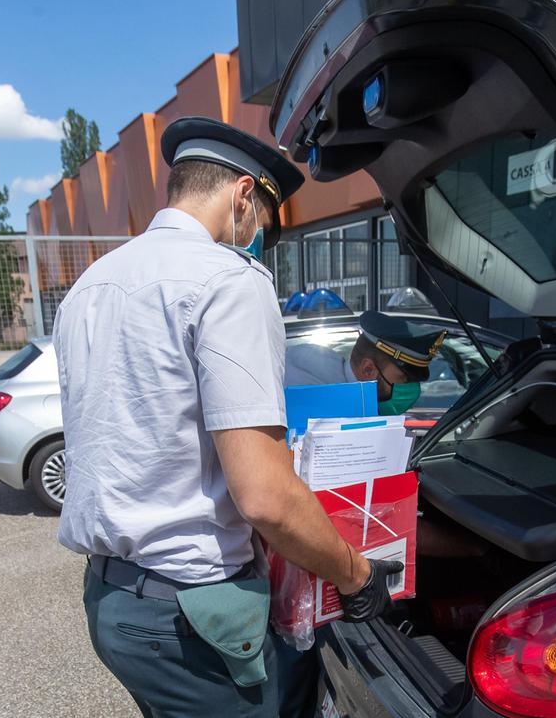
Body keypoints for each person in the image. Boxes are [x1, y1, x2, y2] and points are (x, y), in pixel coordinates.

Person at [53, 115, 401, 717]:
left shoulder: (91, 284)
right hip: (197, 614)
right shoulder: (228, 281)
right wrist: (355, 573)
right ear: (244, 195)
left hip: (113, 598)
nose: (260, 236)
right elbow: (264, 498)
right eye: (264, 221)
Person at [285, 309, 445, 415]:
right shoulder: (309, 389)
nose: (412, 389)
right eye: (404, 379)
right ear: (368, 369)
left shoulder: (362, 401)